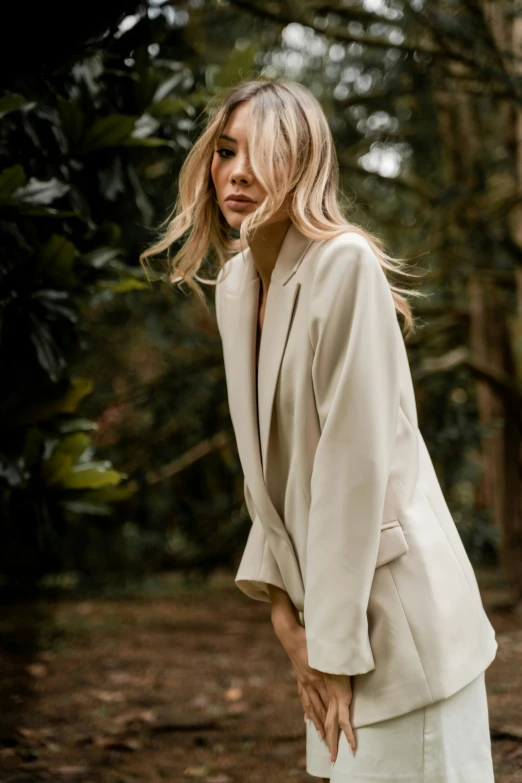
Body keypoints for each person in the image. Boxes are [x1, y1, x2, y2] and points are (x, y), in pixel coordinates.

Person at [141, 78, 498, 782]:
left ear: (302, 162)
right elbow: (270, 479)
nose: (237, 171)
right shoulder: (239, 287)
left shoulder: (345, 266)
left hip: (397, 628)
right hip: (323, 632)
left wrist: (330, 650)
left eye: (263, 152)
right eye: (224, 150)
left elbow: (349, 471)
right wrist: (285, 622)